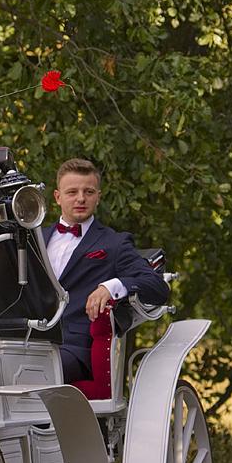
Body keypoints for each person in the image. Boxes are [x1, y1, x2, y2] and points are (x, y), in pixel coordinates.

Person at [44, 158, 171, 384]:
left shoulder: (114, 243)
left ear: (98, 197)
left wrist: (112, 286)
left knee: (41, 373)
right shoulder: (34, 239)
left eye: (88, 191)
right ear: (57, 197)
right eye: (72, 192)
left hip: (76, 349)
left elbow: (158, 288)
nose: (81, 198)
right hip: (28, 341)